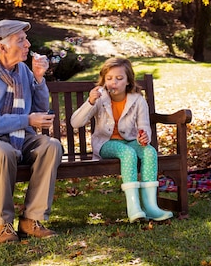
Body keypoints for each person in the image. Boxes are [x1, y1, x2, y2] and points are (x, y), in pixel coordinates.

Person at [0, 19, 63, 244]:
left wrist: (38, 78)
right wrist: (26, 119)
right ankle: (5, 224)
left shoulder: (24, 72)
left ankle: (32, 219)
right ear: (2, 47)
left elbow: (39, 109)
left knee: (51, 146)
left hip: (23, 137)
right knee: (3, 152)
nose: (28, 44)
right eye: (21, 40)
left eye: (26, 39)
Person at [70, 57, 173, 223]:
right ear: (104, 81)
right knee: (127, 153)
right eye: (109, 79)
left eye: (119, 78)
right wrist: (90, 102)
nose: (114, 83)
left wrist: (144, 136)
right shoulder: (100, 99)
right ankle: (133, 207)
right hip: (106, 144)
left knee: (149, 152)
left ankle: (150, 206)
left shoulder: (138, 100)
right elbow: (76, 123)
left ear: (128, 81)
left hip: (131, 141)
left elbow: (144, 125)